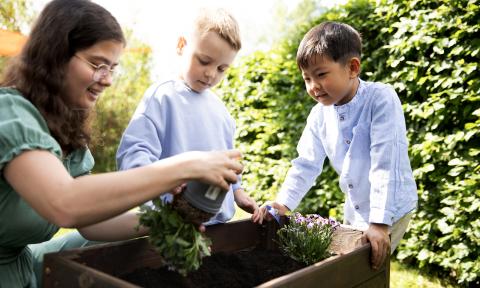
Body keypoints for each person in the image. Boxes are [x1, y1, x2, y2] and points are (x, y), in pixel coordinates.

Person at [0, 1, 243, 287]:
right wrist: (185, 166)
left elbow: (90, 222)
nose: (107, 80)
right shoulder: (10, 114)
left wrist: (167, 219)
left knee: (97, 250)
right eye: (97, 64)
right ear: (55, 54)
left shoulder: (67, 137)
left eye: (112, 68)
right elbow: (64, 202)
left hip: (22, 266)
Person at [252, 21, 418, 270]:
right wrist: (283, 203)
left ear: (352, 68)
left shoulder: (381, 99)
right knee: (351, 266)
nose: (313, 87)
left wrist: (380, 223)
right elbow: (305, 164)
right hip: (356, 204)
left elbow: (386, 162)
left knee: (364, 266)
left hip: (391, 206)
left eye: (321, 75)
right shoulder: (319, 115)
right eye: (306, 78)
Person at [116, 7, 258, 225]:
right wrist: (162, 186)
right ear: (182, 46)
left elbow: (227, 163)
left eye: (222, 69)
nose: (211, 73)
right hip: (172, 224)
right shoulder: (163, 96)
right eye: (204, 61)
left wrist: (237, 190)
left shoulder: (221, 112)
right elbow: (134, 154)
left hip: (217, 230)